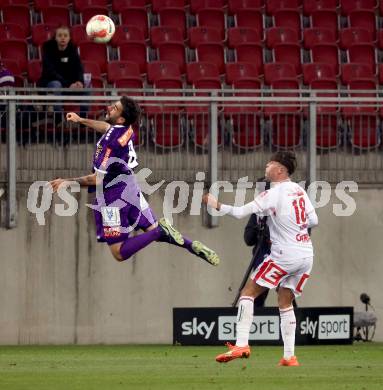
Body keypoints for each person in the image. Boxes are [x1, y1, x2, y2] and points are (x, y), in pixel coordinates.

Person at [49, 96, 219, 266]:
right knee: (151, 230)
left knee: (119, 252)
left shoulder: (111, 144)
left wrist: (67, 182)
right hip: (130, 187)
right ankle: (191, 246)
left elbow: (97, 179)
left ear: (121, 118)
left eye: (114, 108)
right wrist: (81, 120)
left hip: (113, 198)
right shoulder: (125, 129)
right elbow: (107, 127)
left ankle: (162, 230)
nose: (109, 107)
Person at [203, 151, 318, 366]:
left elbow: (239, 213)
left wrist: (215, 204)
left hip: (285, 254)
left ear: (280, 170)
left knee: (248, 293)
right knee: (285, 301)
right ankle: (289, 357)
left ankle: (241, 344)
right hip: (306, 254)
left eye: (271, 163)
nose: (266, 166)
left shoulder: (272, 194)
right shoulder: (299, 190)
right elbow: (314, 219)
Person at [38, 25, 85, 114]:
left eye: (65, 35)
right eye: (59, 35)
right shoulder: (48, 49)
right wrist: (68, 84)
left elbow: (79, 67)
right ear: (55, 38)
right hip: (50, 81)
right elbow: (51, 72)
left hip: (69, 83)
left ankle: (83, 120)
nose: (63, 38)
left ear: (69, 38)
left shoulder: (72, 49)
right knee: (56, 84)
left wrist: (79, 82)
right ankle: (58, 117)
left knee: (86, 86)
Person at [243, 181, 271, 308]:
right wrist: (258, 227)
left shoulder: (285, 211)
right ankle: (256, 322)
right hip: (261, 260)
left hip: (281, 260)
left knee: (285, 294)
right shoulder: (258, 213)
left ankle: (295, 324)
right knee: (255, 297)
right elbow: (248, 239)